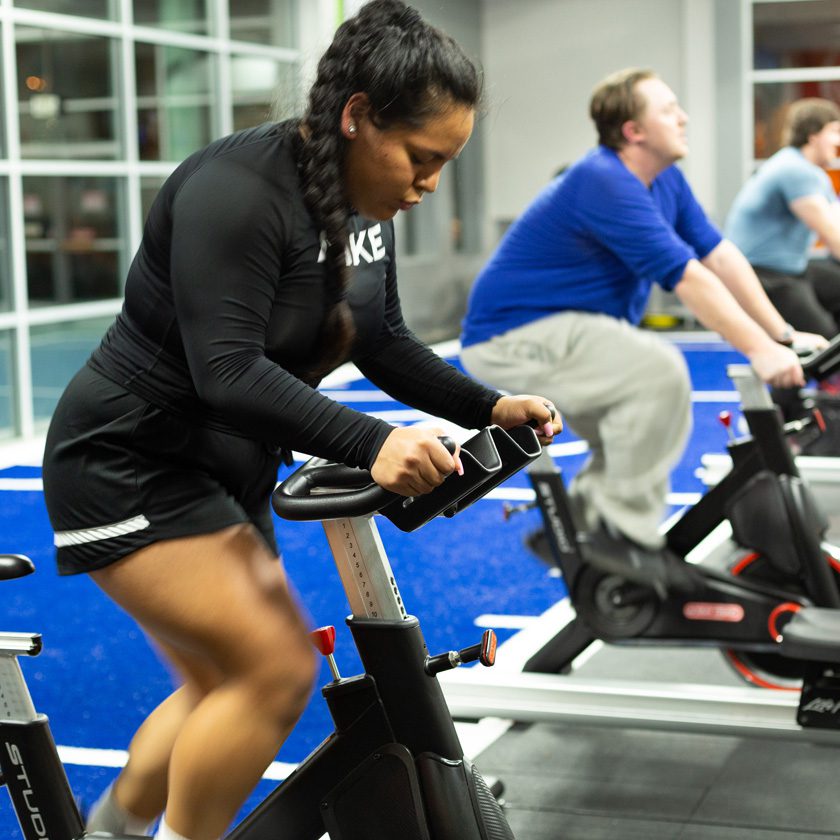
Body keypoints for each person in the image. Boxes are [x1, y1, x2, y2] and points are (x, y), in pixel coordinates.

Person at [40, 4, 560, 840]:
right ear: (357, 116)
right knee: (275, 672)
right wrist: (375, 440)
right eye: (420, 158)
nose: (428, 185)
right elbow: (227, 370)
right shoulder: (237, 192)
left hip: (227, 464)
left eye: (444, 165)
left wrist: (485, 405)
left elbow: (382, 339)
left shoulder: (360, 209)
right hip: (130, 459)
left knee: (224, 681)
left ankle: (110, 832)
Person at [460, 67, 824, 570]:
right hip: (515, 336)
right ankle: (619, 539)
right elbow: (690, 279)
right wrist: (760, 351)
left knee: (634, 427)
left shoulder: (664, 180)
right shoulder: (603, 179)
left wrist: (781, 334)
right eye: (669, 109)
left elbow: (720, 256)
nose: (685, 117)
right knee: (658, 376)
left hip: (563, 332)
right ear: (634, 131)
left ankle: (575, 532)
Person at [725, 97, 840, 342]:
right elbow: (831, 234)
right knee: (826, 341)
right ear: (813, 135)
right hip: (763, 276)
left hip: (792, 269)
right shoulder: (794, 170)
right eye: (834, 132)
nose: (838, 141)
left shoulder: (812, 173)